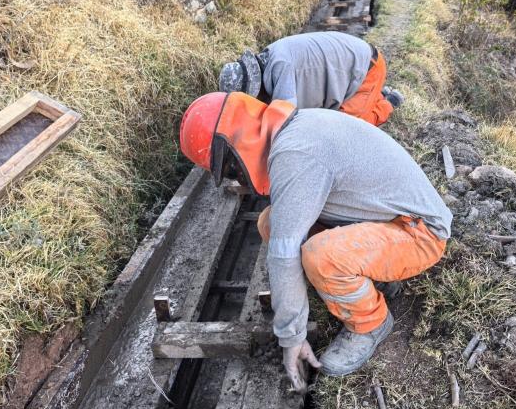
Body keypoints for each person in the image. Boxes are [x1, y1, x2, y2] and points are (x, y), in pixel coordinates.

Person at [179, 91, 452, 391]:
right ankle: (368, 281)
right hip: (389, 220)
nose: (235, 176)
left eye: (230, 168)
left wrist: (292, 337)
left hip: (419, 234)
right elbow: (283, 230)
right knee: (270, 222)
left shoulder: (297, 154)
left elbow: (284, 254)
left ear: (233, 148)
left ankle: (370, 324)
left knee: (320, 256)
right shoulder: (292, 130)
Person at [218, 31, 403, 126]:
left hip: (366, 70)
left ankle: (389, 103)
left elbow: (287, 122)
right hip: (351, 69)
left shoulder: (281, 67)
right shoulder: (270, 54)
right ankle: (375, 95)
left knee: (346, 127)